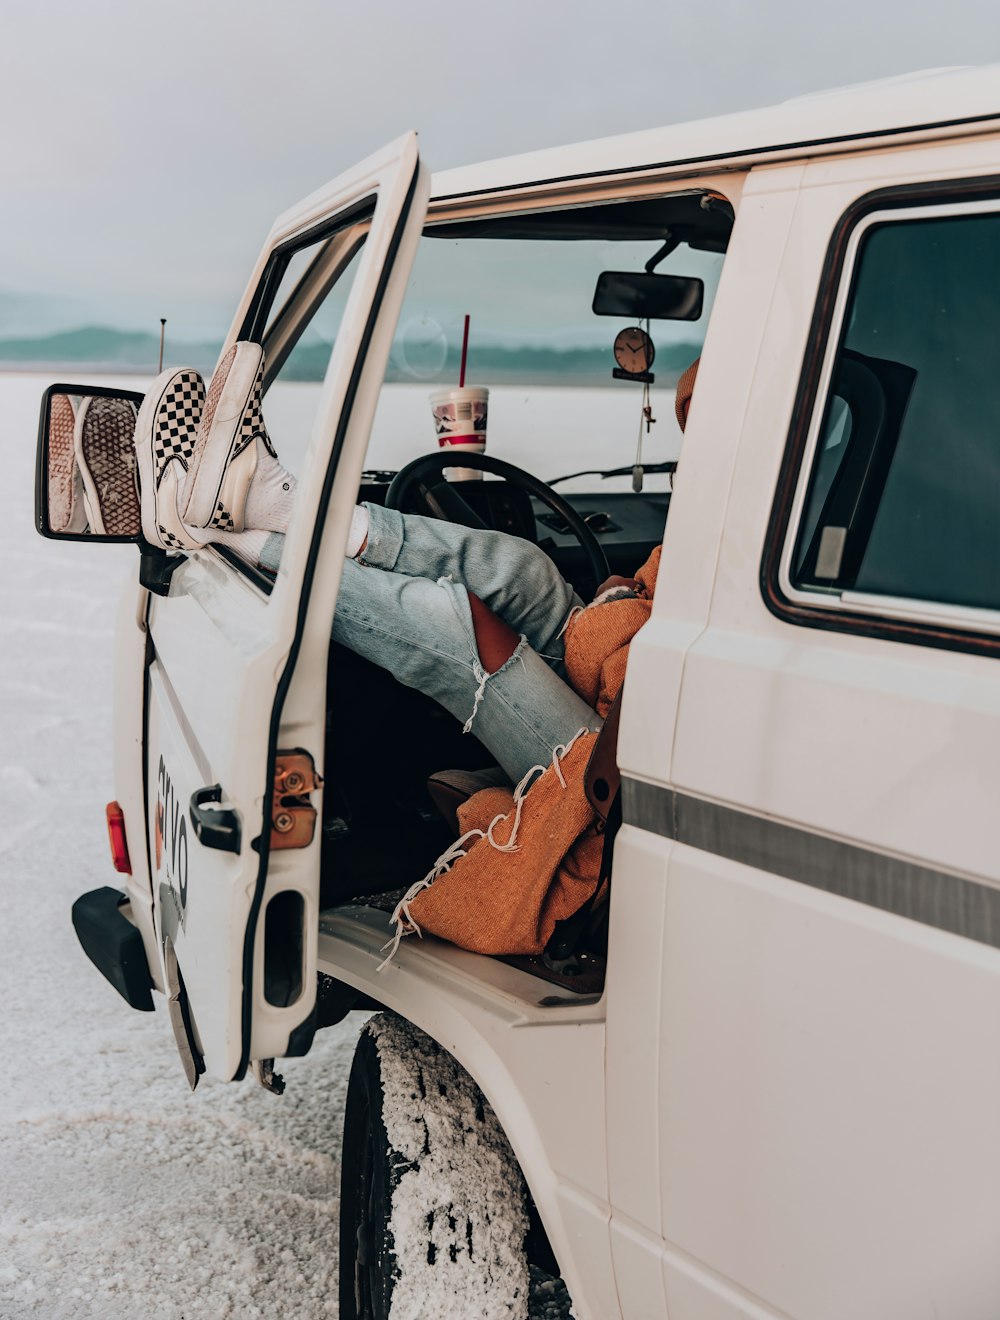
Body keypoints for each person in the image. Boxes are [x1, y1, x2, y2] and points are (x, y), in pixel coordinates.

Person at [134, 342, 699, 956]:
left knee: (465, 632)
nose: (694, 455)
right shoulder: (747, 499)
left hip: (638, 758)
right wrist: (631, 597)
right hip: (638, 676)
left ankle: (226, 533)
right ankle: (266, 508)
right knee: (520, 569)